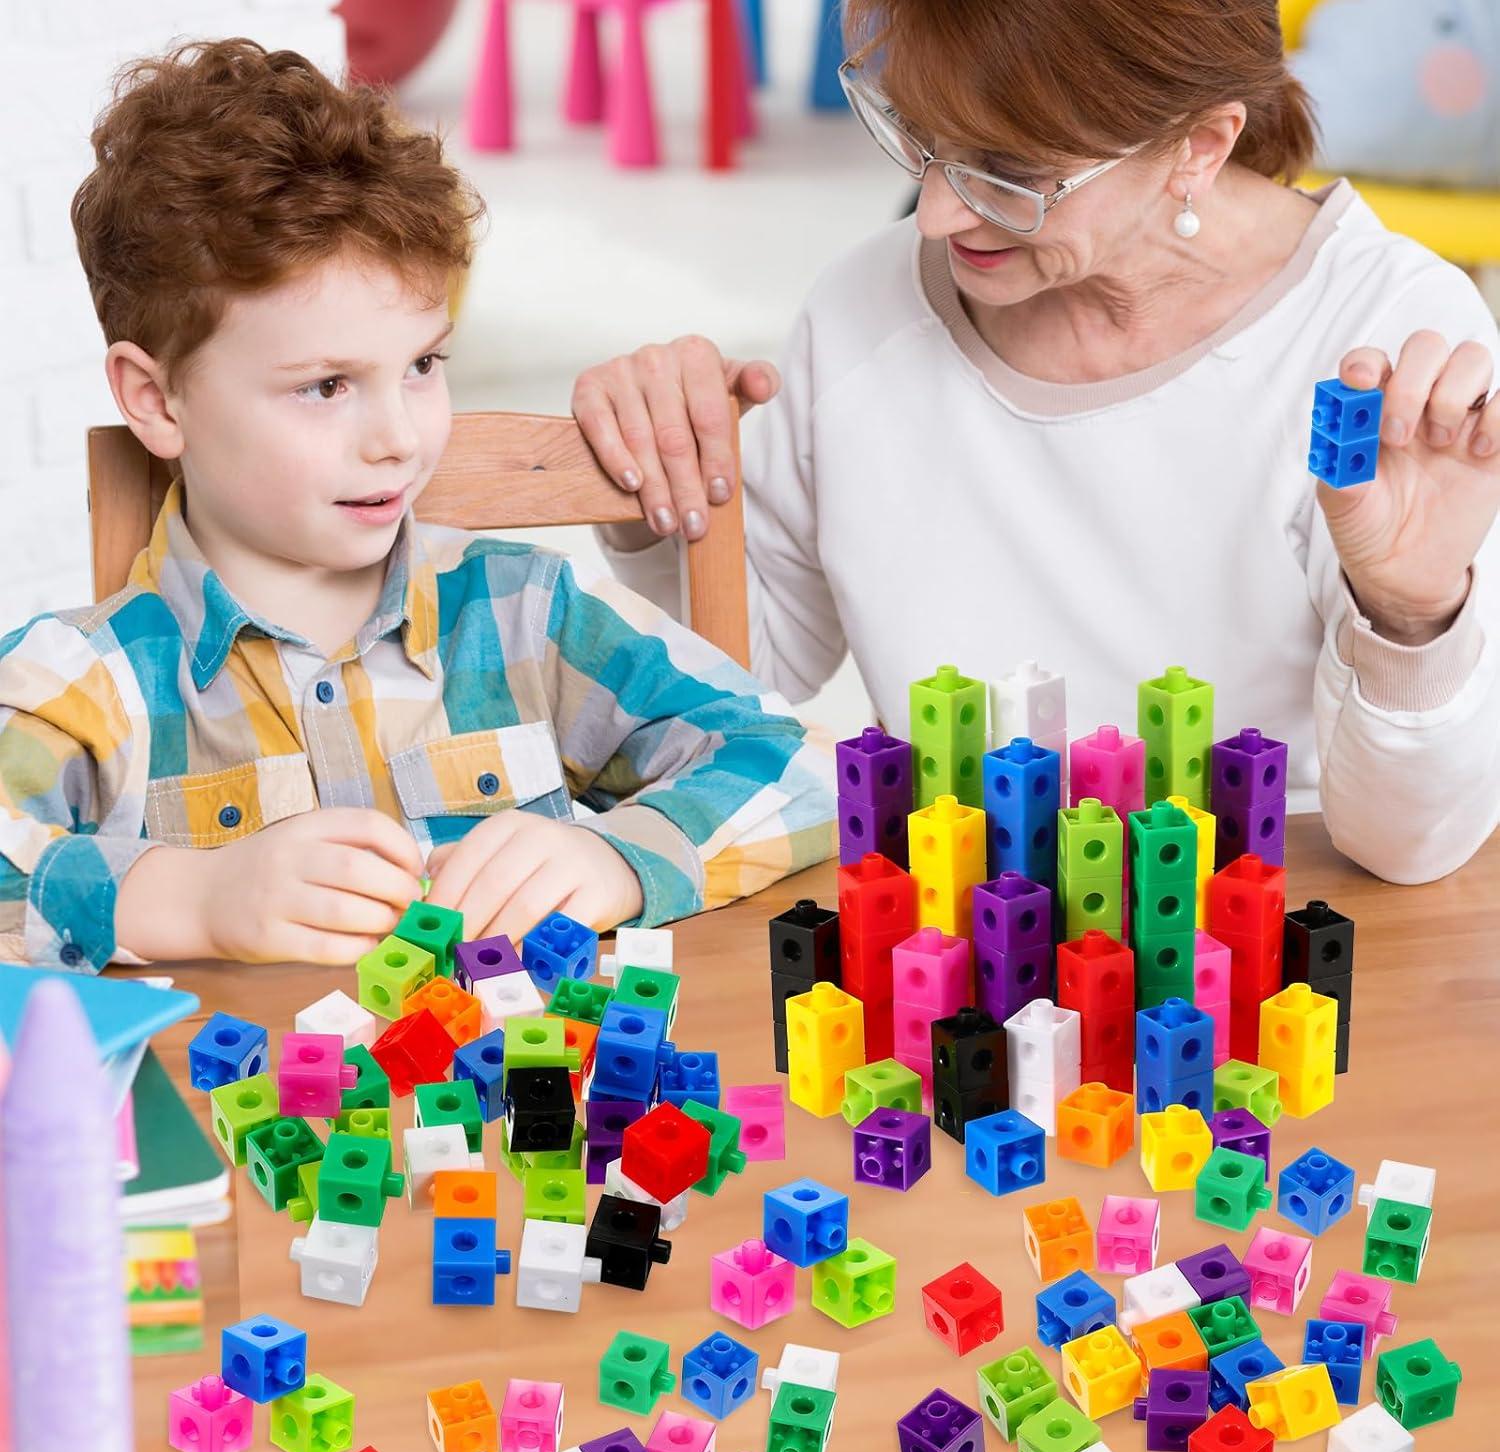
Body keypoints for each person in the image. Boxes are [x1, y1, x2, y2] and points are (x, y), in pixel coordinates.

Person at [574, 0, 1500, 885]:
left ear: (1200, 146)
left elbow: (1408, 850)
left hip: (1262, 943)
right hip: (958, 941)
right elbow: (757, 676)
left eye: (1010, 170)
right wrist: (664, 488)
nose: (934, 213)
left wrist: (1412, 616)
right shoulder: (865, 306)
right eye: (921, 134)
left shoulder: (1391, 343)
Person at [0, 39, 833, 975]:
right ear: (156, 401)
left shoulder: (526, 613)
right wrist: (188, 900)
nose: (398, 436)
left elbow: (797, 763)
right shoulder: (77, 682)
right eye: (325, 386)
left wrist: (619, 855)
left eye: (423, 365)